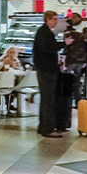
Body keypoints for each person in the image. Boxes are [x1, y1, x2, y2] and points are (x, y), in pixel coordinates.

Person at [33, 10, 63, 138]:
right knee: (48, 99)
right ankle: (48, 128)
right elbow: (48, 48)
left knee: (46, 98)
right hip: (46, 70)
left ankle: (43, 126)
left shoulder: (44, 32)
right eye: (54, 19)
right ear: (48, 19)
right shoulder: (44, 33)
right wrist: (62, 44)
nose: (56, 21)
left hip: (44, 68)